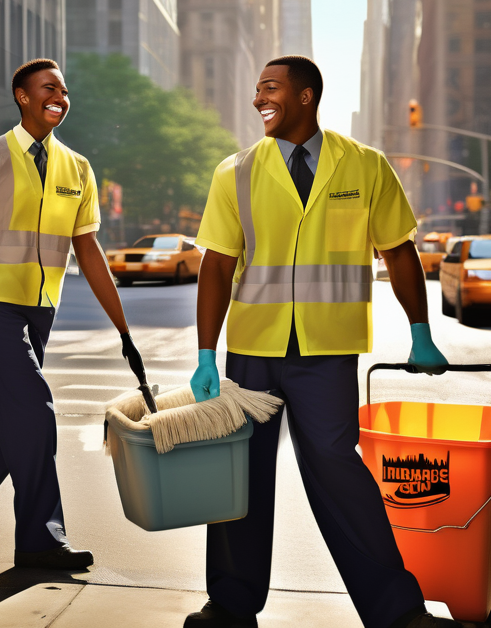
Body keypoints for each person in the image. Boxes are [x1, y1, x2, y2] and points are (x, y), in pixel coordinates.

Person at [184, 56, 458, 628]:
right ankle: (231, 606)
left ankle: (396, 610)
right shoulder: (234, 171)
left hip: (326, 353)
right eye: (257, 88)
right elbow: (216, 264)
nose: (259, 97)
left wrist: (420, 331)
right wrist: (207, 353)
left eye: (272, 88)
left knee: (338, 469)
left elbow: (399, 251)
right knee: (242, 476)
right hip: (252, 353)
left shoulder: (365, 165)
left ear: (306, 97)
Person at [0, 58, 145, 569]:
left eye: (64, 91)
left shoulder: (78, 168)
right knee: (34, 411)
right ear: (22, 97)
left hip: (41, 307)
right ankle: (40, 539)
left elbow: (88, 250)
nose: (59, 98)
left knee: (3, 420)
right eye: (48, 89)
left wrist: (123, 327)